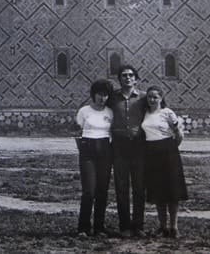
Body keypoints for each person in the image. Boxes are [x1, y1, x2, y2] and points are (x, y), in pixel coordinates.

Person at [141, 85, 188, 238]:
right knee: (158, 191)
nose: (152, 100)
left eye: (155, 97)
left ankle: (174, 227)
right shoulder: (145, 113)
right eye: (149, 97)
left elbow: (179, 134)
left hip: (168, 152)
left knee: (172, 191)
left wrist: (172, 147)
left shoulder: (167, 113)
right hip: (150, 152)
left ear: (161, 98)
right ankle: (162, 227)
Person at [106, 65, 147, 238]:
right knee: (121, 186)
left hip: (139, 146)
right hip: (119, 146)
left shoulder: (144, 97)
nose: (128, 78)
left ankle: (138, 226)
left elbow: (157, 113)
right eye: (124, 75)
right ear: (119, 79)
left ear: (136, 79)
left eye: (131, 75)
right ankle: (124, 226)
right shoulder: (113, 98)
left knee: (139, 187)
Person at [75, 79, 115, 237]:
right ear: (93, 94)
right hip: (88, 152)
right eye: (99, 94)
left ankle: (99, 227)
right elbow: (77, 132)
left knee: (102, 191)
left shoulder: (110, 112)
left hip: (105, 150)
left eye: (105, 95)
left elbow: (112, 133)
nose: (102, 98)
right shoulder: (84, 111)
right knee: (89, 191)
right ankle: (83, 228)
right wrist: (84, 150)